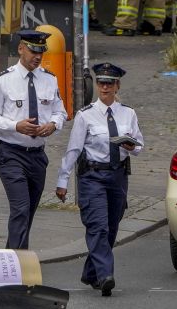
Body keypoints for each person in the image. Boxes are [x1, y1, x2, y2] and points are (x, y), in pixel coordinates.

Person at [55, 63, 141, 296]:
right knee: (98, 226)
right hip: (92, 176)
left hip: (118, 175)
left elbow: (139, 146)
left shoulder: (128, 113)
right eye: (101, 82)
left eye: (110, 83)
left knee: (112, 227)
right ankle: (105, 275)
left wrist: (131, 145)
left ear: (117, 86)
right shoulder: (86, 115)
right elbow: (73, 150)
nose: (105, 87)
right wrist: (62, 180)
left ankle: (90, 273)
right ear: (96, 85)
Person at [0, 30, 66, 250]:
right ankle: (17, 260)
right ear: (20, 49)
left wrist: (53, 125)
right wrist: (15, 126)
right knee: (20, 207)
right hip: (11, 153)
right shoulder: (3, 81)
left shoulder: (49, 79)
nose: (37, 56)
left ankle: (12, 255)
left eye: (41, 51)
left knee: (28, 211)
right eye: (33, 51)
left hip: (37, 156)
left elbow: (60, 111)